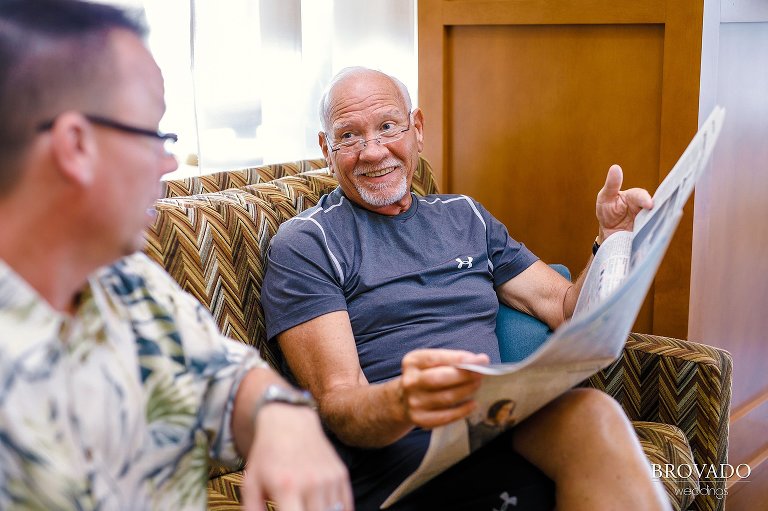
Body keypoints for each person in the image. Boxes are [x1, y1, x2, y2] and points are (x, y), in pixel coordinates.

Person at [262, 67, 671, 511]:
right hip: (399, 453)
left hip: (491, 425)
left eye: (387, 127)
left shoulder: (465, 217)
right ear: (326, 148)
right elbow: (339, 404)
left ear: (417, 128)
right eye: (349, 137)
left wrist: (609, 240)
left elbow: (564, 308)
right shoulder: (307, 244)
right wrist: (405, 400)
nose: (373, 152)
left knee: (594, 413)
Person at [0, 2, 352, 510]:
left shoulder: (127, 281)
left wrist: (281, 415)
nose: (168, 163)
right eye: (152, 134)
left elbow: (225, 375)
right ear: (75, 145)